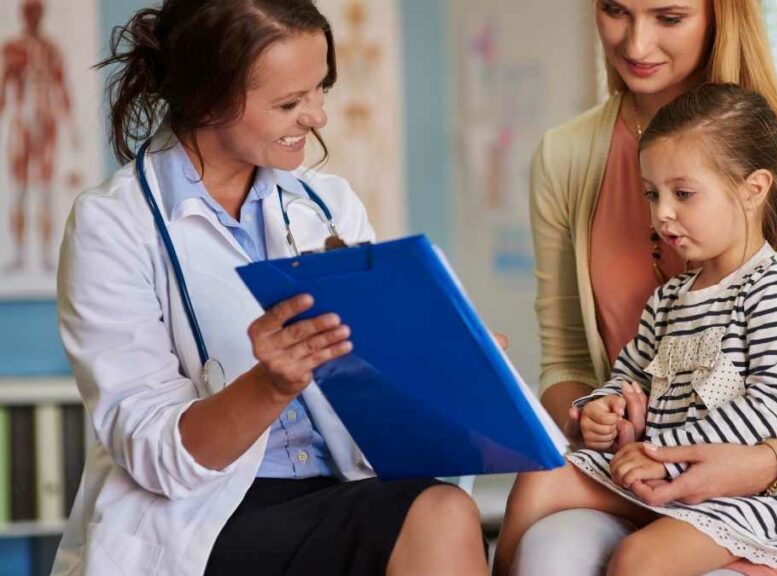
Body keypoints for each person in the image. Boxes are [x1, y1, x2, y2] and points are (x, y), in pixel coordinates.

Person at [52, 1, 488, 575]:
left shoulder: (330, 205)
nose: (318, 117)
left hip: (339, 484)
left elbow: (374, 391)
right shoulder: (113, 224)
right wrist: (271, 384)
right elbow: (152, 454)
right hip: (202, 514)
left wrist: (448, 371)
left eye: (320, 89)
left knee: (444, 510)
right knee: (439, 516)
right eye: (290, 103)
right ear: (209, 98)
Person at [513, 0, 777, 574]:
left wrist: (767, 461)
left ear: (721, 14)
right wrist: (602, 416)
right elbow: (568, 362)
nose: (636, 45)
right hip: (644, 463)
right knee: (540, 513)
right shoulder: (565, 158)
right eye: (615, 11)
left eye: (668, 17)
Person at [495, 83, 777, 576]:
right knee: (540, 480)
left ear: (753, 189)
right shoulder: (670, 298)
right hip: (660, 473)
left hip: (749, 495)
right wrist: (601, 411)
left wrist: (666, 456)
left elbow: (774, 409)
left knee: (639, 559)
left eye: (683, 194)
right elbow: (629, 375)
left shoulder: (774, 293)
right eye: (653, 194)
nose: (661, 214)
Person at [0, 0, 74, 271]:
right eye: (29, 13)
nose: (34, 18)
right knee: (19, 189)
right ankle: (19, 253)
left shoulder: (52, 50)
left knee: (45, 189)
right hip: (21, 125)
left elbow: (62, 89)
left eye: (37, 13)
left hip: (46, 125)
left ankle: (45, 253)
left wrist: (72, 128)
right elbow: (3, 88)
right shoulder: (12, 49)